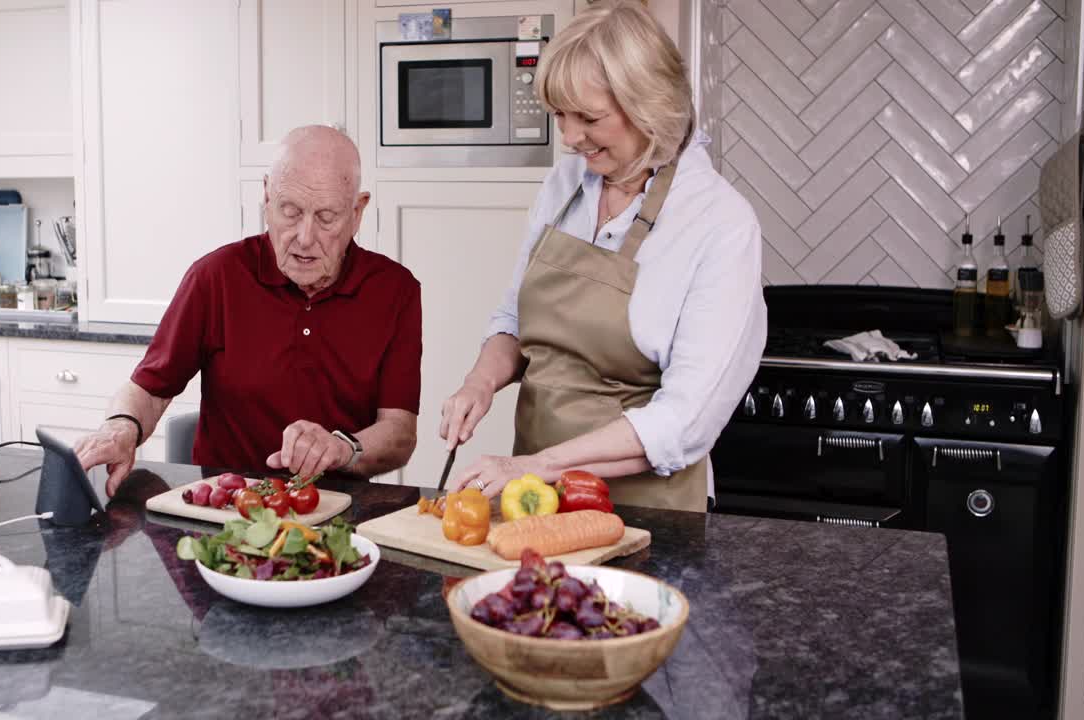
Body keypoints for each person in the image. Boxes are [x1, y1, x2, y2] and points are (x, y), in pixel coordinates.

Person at [441, 0, 766, 512]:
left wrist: (537, 465)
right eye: (560, 116)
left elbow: (685, 419)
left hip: (646, 512)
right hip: (532, 496)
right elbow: (514, 317)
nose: (570, 138)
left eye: (589, 117)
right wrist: (478, 385)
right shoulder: (567, 183)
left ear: (650, 105)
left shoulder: (720, 223)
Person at [76, 125, 422, 496]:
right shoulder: (215, 277)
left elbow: (399, 434)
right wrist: (120, 427)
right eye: (290, 211)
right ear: (267, 197)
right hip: (223, 507)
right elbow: (149, 389)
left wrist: (343, 448)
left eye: (326, 218)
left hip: (337, 511)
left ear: (357, 212)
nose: (304, 238)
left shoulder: (395, 290)